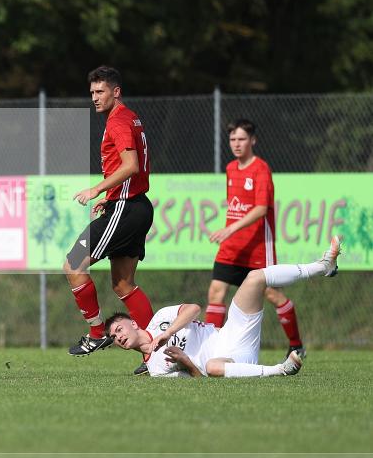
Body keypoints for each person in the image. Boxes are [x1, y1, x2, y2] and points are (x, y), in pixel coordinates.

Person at [105, 237, 340, 377]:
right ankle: (279, 369)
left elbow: (194, 309)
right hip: (229, 361)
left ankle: (322, 267)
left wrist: (167, 333)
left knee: (255, 278)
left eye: (119, 329)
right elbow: (199, 379)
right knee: (211, 365)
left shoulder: (159, 320)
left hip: (231, 332)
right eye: (114, 337)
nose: (118, 336)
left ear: (133, 323)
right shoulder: (155, 370)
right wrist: (184, 360)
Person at [66, 66, 154, 371]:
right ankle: (153, 348)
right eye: (91, 92)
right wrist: (109, 196)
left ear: (116, 91)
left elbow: (130, 165)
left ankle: (96, 333)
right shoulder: (130, 117)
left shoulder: (118, 120)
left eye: (100, 91)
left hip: (127, 208)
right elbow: (133, 169)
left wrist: (96, 189)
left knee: (73, 264)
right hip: (133, 205)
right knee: (123, 284)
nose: (94, 97)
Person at [205, 119, 305, 359]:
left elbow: (261, 209)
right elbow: (235, 205)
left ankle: (296, 344)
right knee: (216, 291)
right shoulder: (230, 168)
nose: (236, 144)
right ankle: (211, 348)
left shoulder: (261, 169)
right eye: (232, 140)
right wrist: (230, 232)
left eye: (241, 139)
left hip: (258, 246)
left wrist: (230, 229)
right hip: (232, 247)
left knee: (272, 294)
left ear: (252, 140)